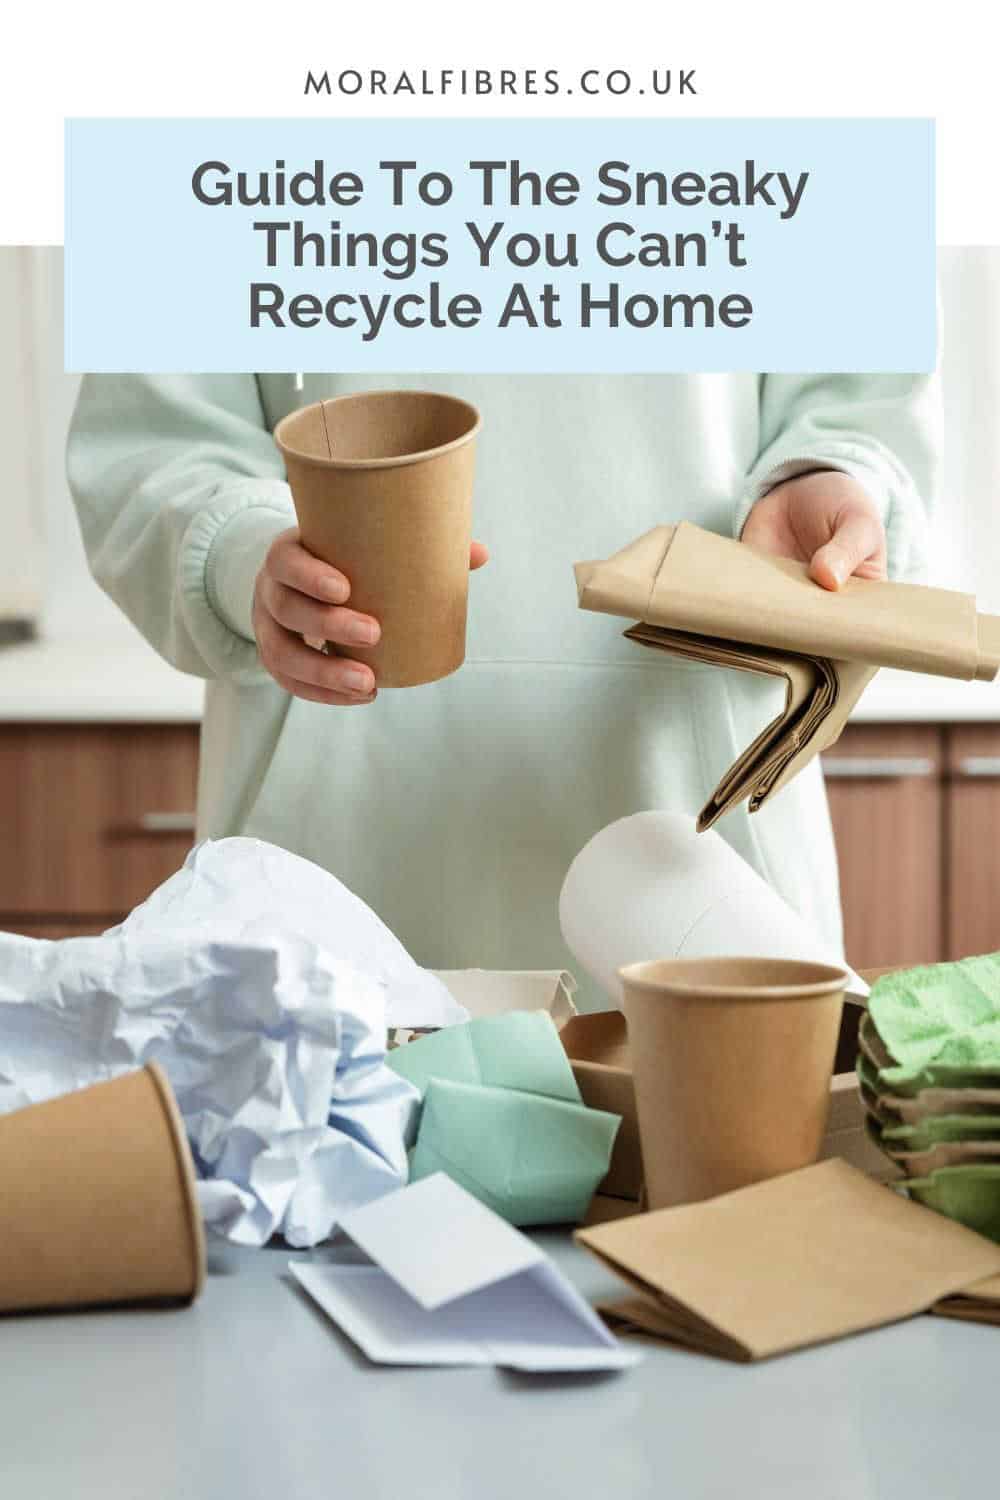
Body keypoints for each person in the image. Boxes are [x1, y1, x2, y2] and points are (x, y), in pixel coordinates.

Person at [67, 373, 939, 996]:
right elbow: (154, 442)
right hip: (334, 837)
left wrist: (827, 475)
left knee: (739, 1222)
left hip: (700, 824)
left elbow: (859, 391)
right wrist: (244, 554)